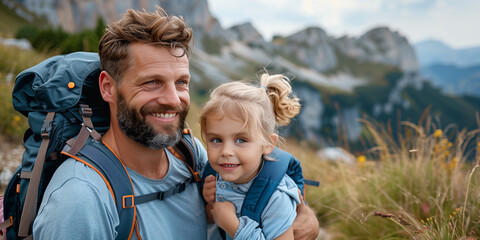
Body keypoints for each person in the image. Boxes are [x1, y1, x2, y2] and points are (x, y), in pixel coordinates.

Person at [32, 6, 319, 240]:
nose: (173, 99)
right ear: (108, 88)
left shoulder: (190, 152)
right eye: (152, 82)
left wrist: (303, 216)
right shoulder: (82, 198)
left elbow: (261, 189)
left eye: (181, 82)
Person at [200, 73, 303, 240]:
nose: (226, 151)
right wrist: (209, 202)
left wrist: (233, 226)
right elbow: (213, 219)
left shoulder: (277, 198)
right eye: (216, 139)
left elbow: (225, 220)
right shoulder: (217, 177)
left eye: (241, 140)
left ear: (268, 144)